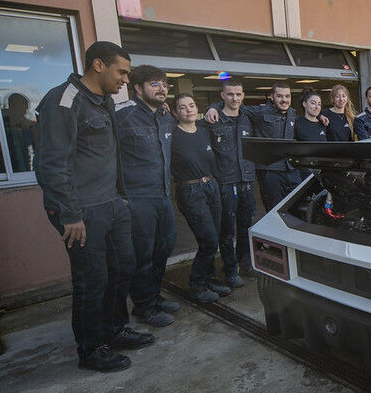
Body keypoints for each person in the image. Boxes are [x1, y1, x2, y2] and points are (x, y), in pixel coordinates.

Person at [35, 41, 150, 373]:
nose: (125, 79)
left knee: (122, 268)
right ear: (98, 65)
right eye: (122, 72)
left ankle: (114, 331)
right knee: (92, 280)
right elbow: (51, 164)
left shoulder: (103, 102)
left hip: (112, 204)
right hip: (82, 211)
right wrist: (69, 214)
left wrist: (122, 198)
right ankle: (91, 349)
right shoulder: (63, 102)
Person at [114, 65, 178, 327]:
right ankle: (144, 305)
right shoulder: (123, 116)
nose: (161, 88)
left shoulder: (164, 116)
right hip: (137, 197)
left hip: (162, 193)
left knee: (164, 247)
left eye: (164, 84)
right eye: (154, 84)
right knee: (143, 253)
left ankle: (154, 294)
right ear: (137, 88)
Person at [170, 93, 233, 300]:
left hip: (211, 186)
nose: (188, 110)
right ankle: (197, 285)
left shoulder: (205, 130)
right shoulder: (172, 135)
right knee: (208, 240)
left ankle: (209, 279)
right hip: (190, 191)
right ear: (175, 112)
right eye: (182, 107)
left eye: (191, 105)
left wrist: (214, 106)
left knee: (214, 238)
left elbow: (224, 109)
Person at [206, 82, 300, 212]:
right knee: (275, 211)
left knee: (297, 207)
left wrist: (320, 116)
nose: (284, 100)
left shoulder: (292, 113)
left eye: (287, 96)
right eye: (279, 96)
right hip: (270, 171)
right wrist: (212, 107)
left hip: (291, 169)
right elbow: (233, 104)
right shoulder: (259, 112)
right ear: (272, 97)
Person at [208, 80, 257, 287]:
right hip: (226, 183)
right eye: (230, 94)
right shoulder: (214, 120)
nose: (234, 98)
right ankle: (230, 269)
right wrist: (211, 108)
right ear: (222, 96)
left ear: (243, 96)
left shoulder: (249, 117)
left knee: (246, 226)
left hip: (247, 180)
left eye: (238, 94)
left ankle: (245, 262)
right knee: (226, 230)